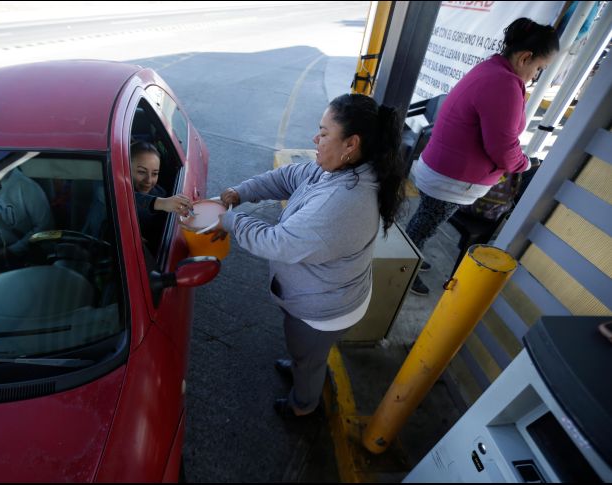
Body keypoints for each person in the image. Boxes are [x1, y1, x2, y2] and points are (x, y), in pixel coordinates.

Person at [211, 93, 406, 419]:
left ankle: (303, 405)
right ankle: (303, 361)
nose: (315, 139)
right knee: (304, 352)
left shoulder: (344, 202)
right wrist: (242, 192)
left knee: (309, 359)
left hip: (322, 311)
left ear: (350, 143)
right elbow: (288, 177)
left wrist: (228, 219)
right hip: (321, 295)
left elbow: (278, 242)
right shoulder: (341, 168)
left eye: (324, 133)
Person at [406, 17, 559, 295]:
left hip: (439, 168)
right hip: (449, 180)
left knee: (424, 220)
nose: (536, 76)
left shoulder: (491, 67)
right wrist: (524, 163)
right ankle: (404, 268)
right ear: (526, 57)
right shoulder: (505, 85)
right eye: (539, 68)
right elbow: (503, 150)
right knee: (425, 225)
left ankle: (409, 252)